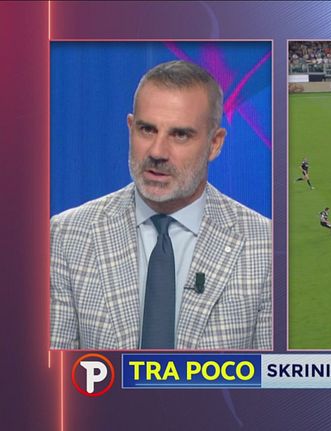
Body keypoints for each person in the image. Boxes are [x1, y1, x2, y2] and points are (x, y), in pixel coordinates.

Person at [50, 60, 272, 350]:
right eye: (147, 130)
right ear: (130, 128)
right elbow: (55, 372)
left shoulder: (265, 246)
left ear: (215, 143)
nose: (157, 152)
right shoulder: (67, 235)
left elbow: (271, 375)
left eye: (180, 135)